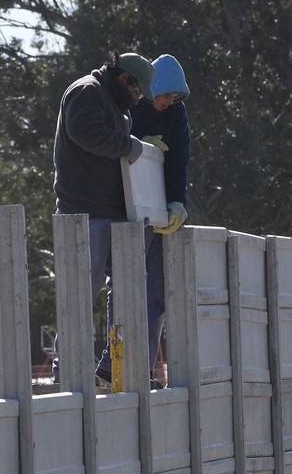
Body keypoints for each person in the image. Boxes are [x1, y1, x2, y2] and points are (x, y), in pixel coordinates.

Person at [52, 51, 159, 387]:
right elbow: (84, 132)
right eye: (138, 91)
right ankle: (67, 371)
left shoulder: (113, 103)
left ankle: (116, 368)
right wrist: (127, 145)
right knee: (80, 294)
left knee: (124, 293)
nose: (138, 99)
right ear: (125, 79)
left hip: (114, 214)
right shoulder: (86, 92)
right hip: (85, 215)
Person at [129, 53, 192, 387]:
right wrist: (139, 145)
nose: (172, 101)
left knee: (156, 293)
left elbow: (180, 155)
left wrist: (177, 202)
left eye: (178, 97)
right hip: (123, 210)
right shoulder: (133, 106)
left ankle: (144, 367)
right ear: (154, 89)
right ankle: (106, 366)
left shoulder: (176, 113)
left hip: (157, 211)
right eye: (169, 94)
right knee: (116, 286)